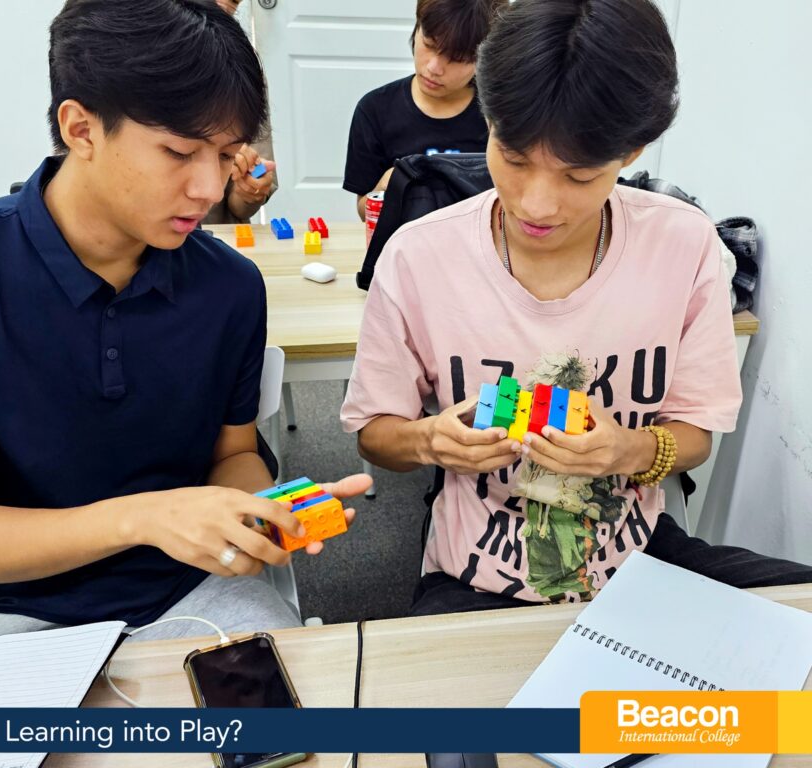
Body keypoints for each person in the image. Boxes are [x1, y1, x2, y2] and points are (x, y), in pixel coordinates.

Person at [0, 0, 369, 642]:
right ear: (81, 129)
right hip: (10, 607)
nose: (210, 189)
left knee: (291, 700)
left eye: (226, 155)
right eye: (179, 152)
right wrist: (146, 519)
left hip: (193, 586)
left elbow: (234, 453)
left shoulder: (230, 286)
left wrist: (259, 511)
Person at [340, 0, 812, 616]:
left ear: (632, 152)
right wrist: (430, 440)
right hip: (475, 574)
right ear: (488, 120)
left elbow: (696, 432)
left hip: (638, 555)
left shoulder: (684, 244)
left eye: (579, 176)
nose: (537, 205)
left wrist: (631, 451)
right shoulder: (417, 256)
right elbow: (376, 434)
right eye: (514, 159)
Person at [344, 0, 502, 221]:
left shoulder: (497, 114)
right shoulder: (375, 110)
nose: (433, 68)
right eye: (429, 45)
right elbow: (364, 212)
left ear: (484, 59)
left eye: (456, 59)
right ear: (417, 28)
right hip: (402, 239)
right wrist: (386, 184)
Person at [203, 0, 278, 224]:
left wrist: (248, 190)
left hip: (217, 232)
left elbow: (241, 205)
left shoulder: (242, 70)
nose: (223, 8)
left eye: (235, 1)